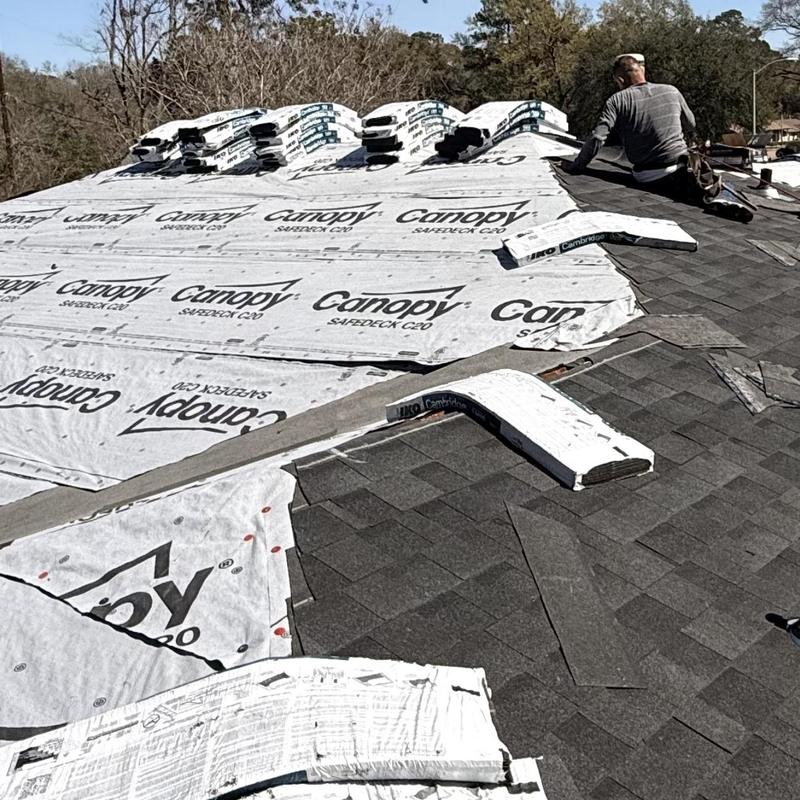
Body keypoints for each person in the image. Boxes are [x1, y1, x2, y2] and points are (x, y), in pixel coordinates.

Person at [560, 53, 755, 219]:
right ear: (642, 71)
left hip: (646, 175)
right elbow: (691, 124)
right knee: (704, 177)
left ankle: (710, 195)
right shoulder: (671, 90)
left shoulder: (617, 100)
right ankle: (713, 195)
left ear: (619, 81)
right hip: (680, 165)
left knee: (689, 181)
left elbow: (597, 138)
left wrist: (577, 166)